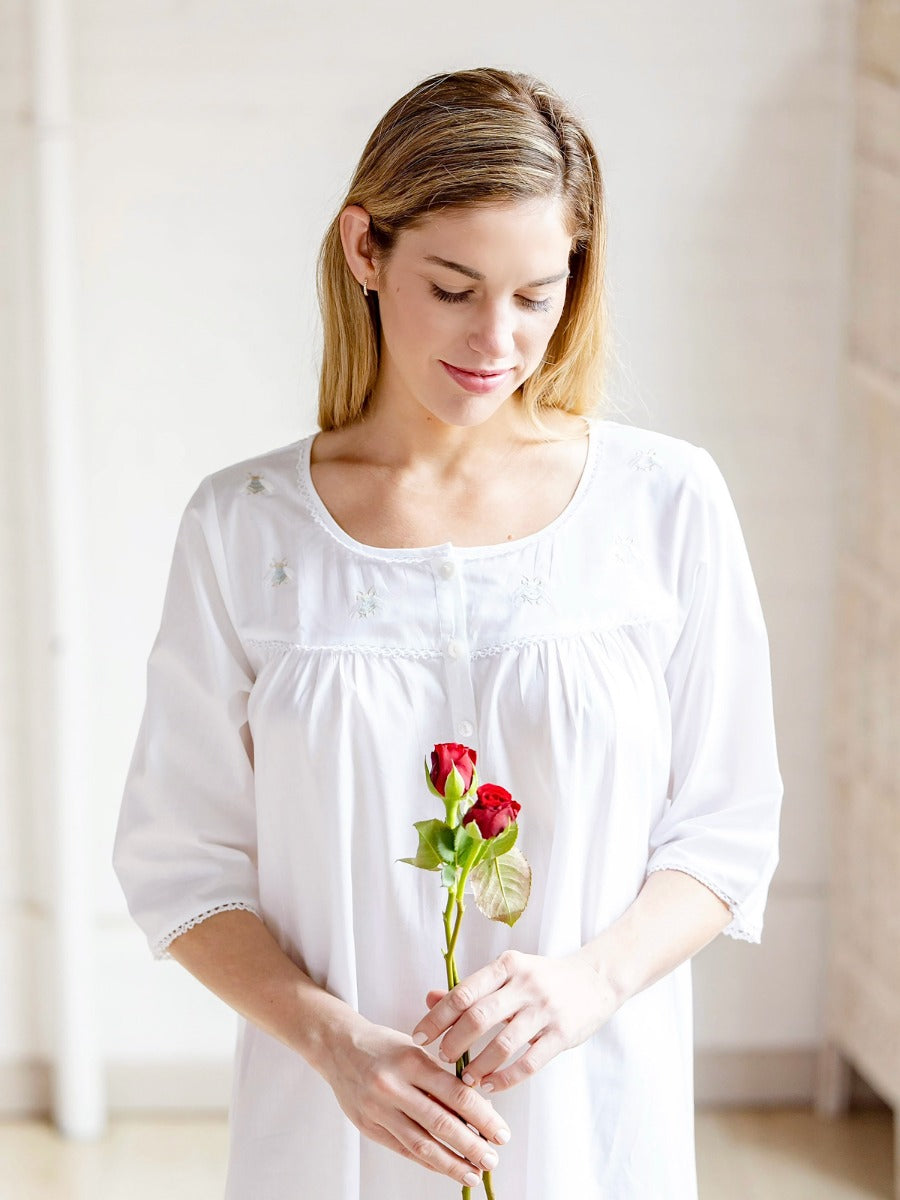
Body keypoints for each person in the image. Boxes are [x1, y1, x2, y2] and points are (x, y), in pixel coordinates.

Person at [112, 66, 783, 1200]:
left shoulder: (665, 503)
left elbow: (725, 831)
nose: (499, 337)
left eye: (538, 292)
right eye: (456, 287)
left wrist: (591, 983)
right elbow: (181, 865)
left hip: (591, 1138)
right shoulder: (245, 529)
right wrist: (335, 1043)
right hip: (331, 1147)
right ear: (365, 251)